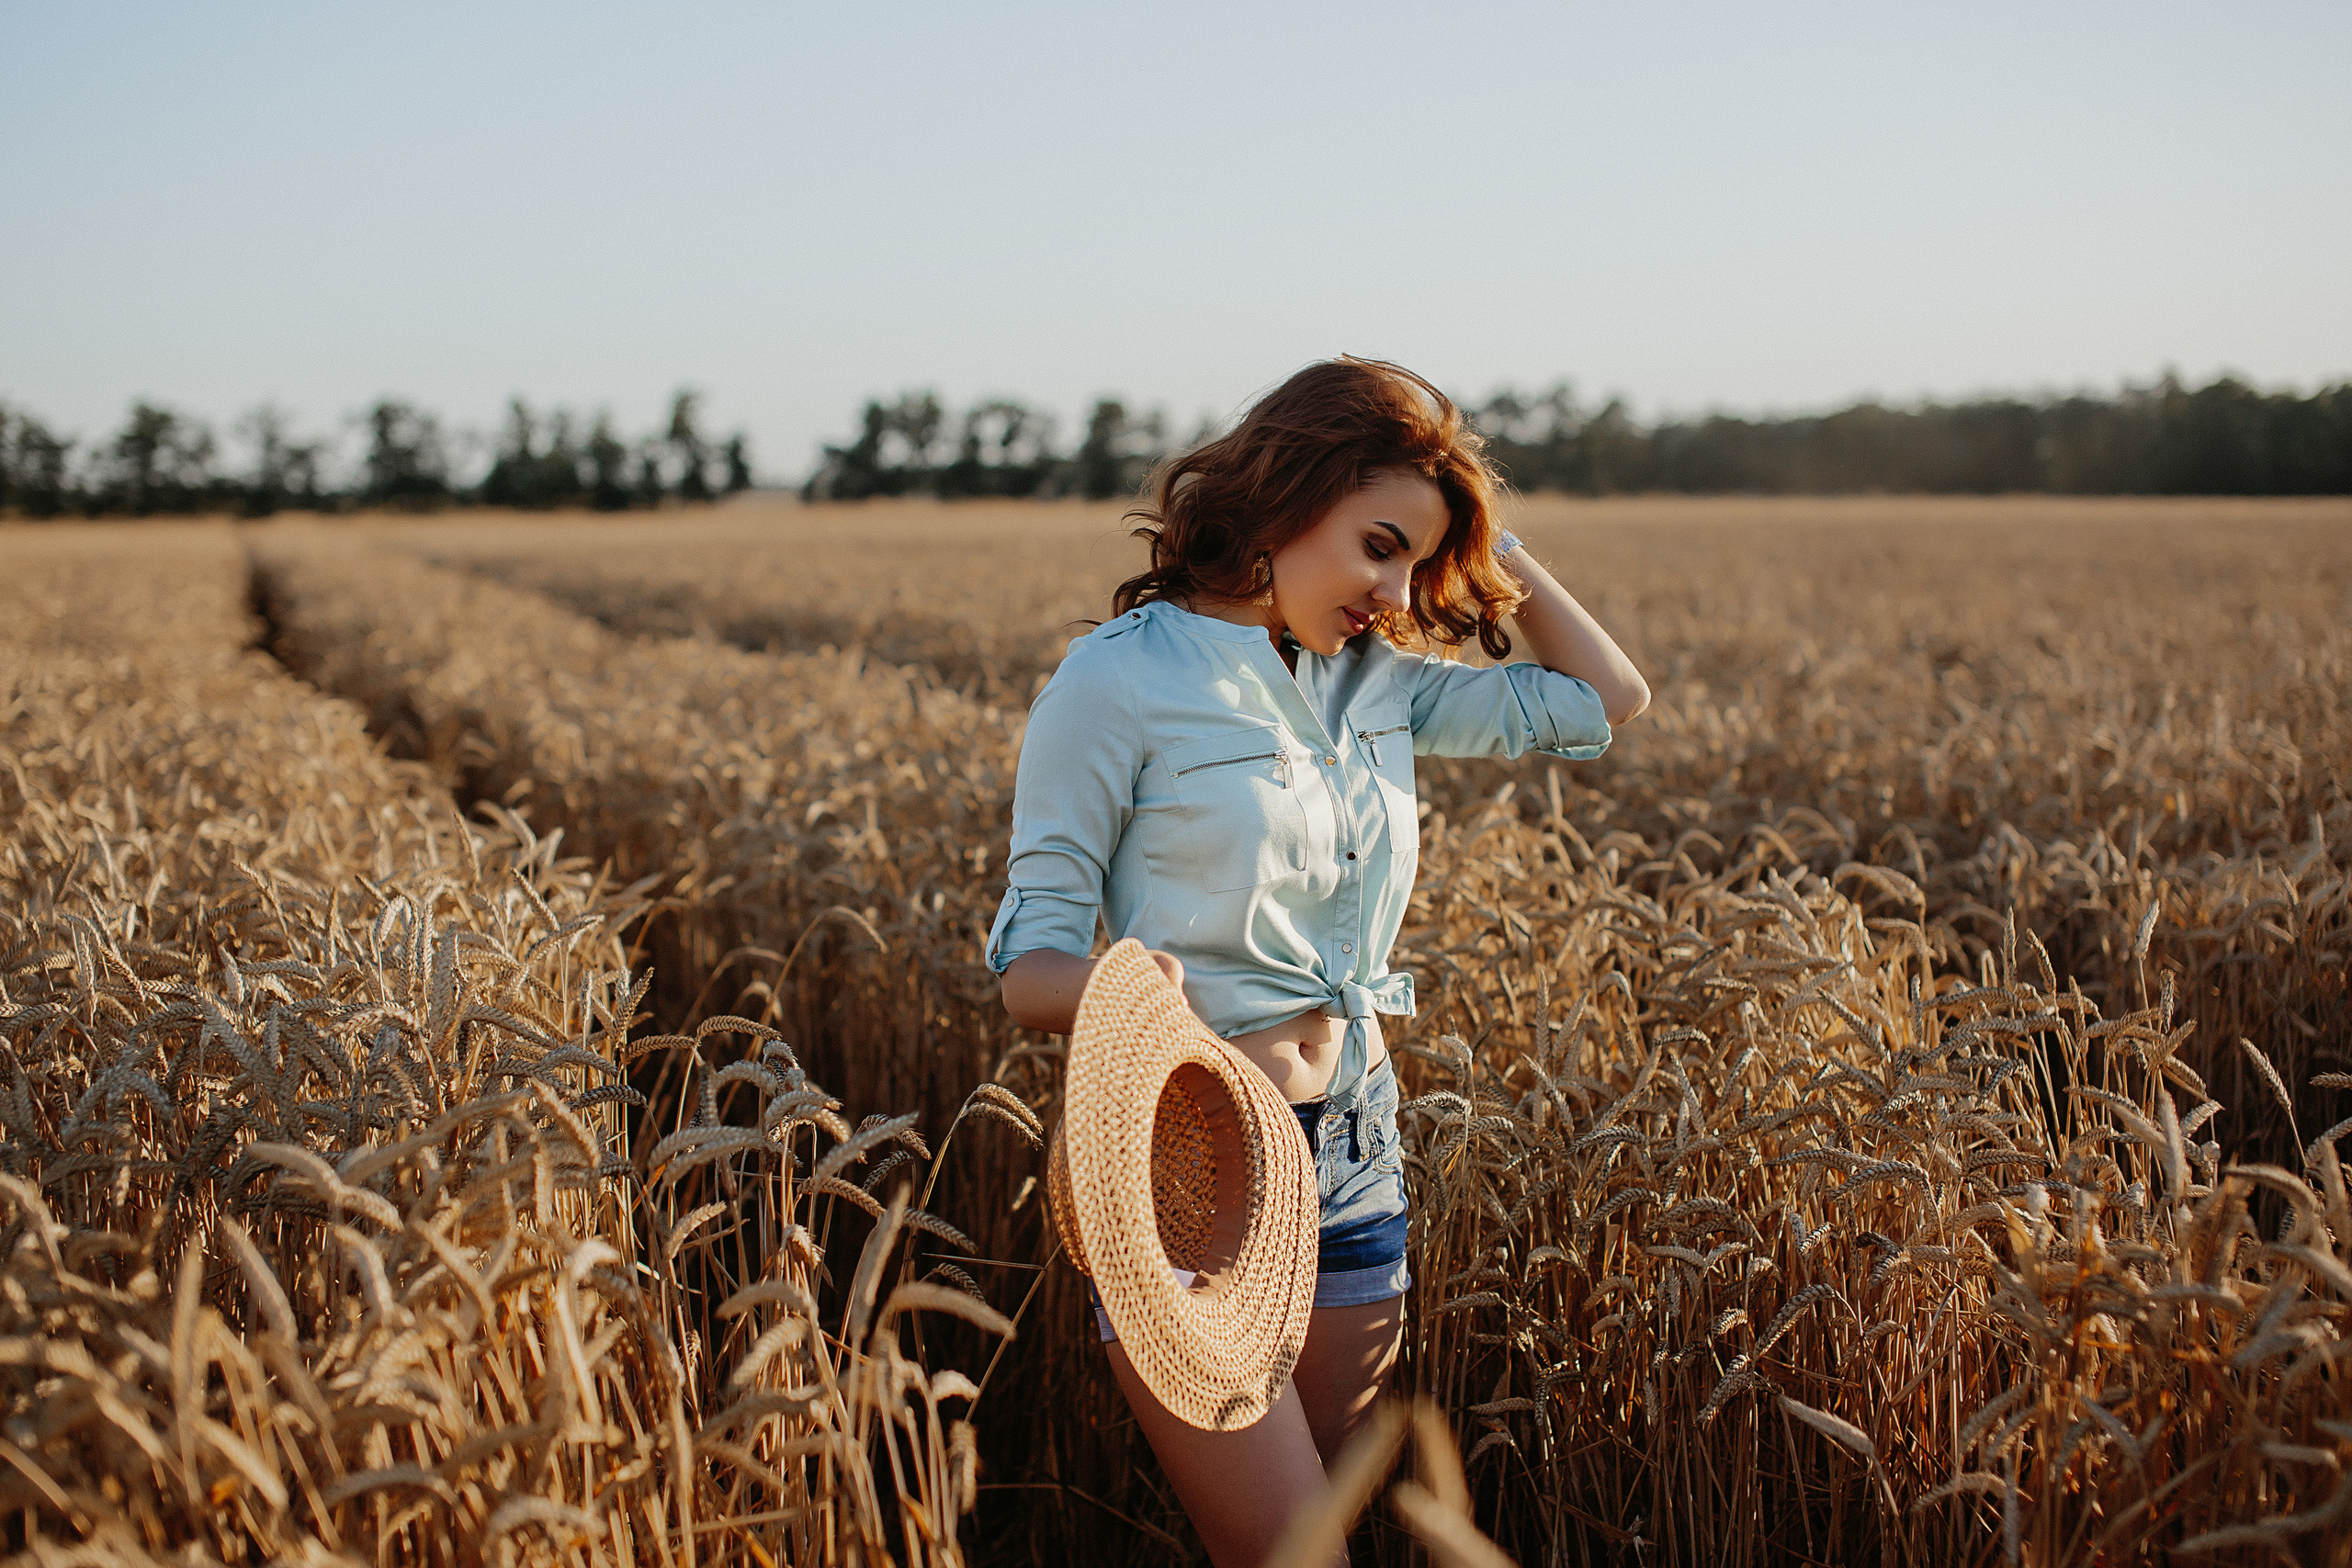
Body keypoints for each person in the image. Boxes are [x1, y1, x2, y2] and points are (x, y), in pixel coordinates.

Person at [987, 356, 1649, 1566]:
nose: (1394, 589)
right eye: (1379, 544)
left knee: (1320, 1541)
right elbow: (1031, 973)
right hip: (1196, 1162)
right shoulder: (1115, 684)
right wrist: (1134, 994)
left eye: (1417, 562)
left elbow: (1602, 701)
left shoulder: (1377, 683)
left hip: (1358, 1148)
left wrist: (1481, 538)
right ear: (1284, 500)